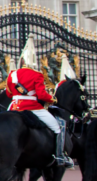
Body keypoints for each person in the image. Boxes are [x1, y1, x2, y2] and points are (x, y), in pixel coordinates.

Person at [7, 37, 72, 167]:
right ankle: (60, 156)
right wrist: (52, 99)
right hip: (32, 107)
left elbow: (9, 93)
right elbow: (42, 95)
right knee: (58, 127)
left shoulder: (13, 74)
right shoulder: (37, 75)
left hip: (13, 106)